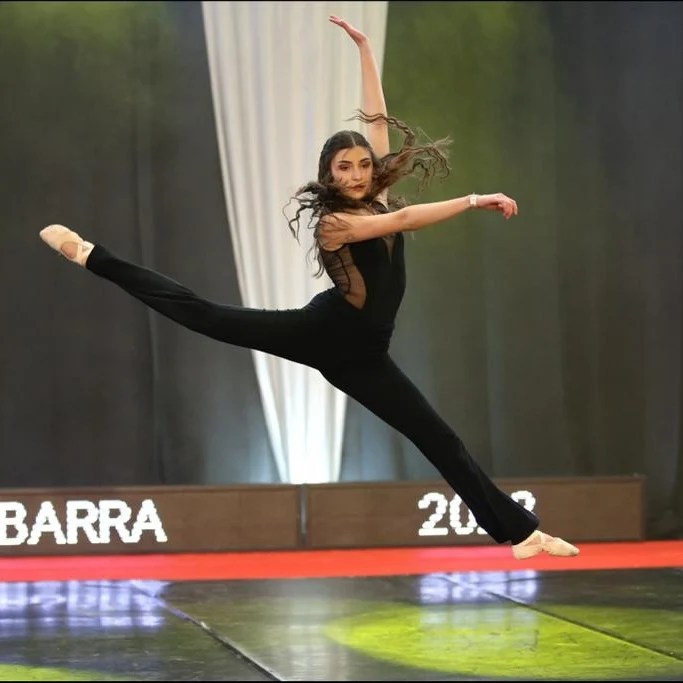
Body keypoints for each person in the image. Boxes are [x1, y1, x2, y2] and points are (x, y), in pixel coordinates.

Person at [39, 15, 578, 560]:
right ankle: (90, 255)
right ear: (329, 173)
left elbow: (377, 119)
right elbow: (402, 221)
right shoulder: (335, 223)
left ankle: (521, 534)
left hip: (366, 354)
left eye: (364, 165)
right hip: (324, 332)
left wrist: (365, 50)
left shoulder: (376, 193)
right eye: (345, 167)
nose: (358, 173)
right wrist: (473, 199)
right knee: (204, 313)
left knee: (439, 439)